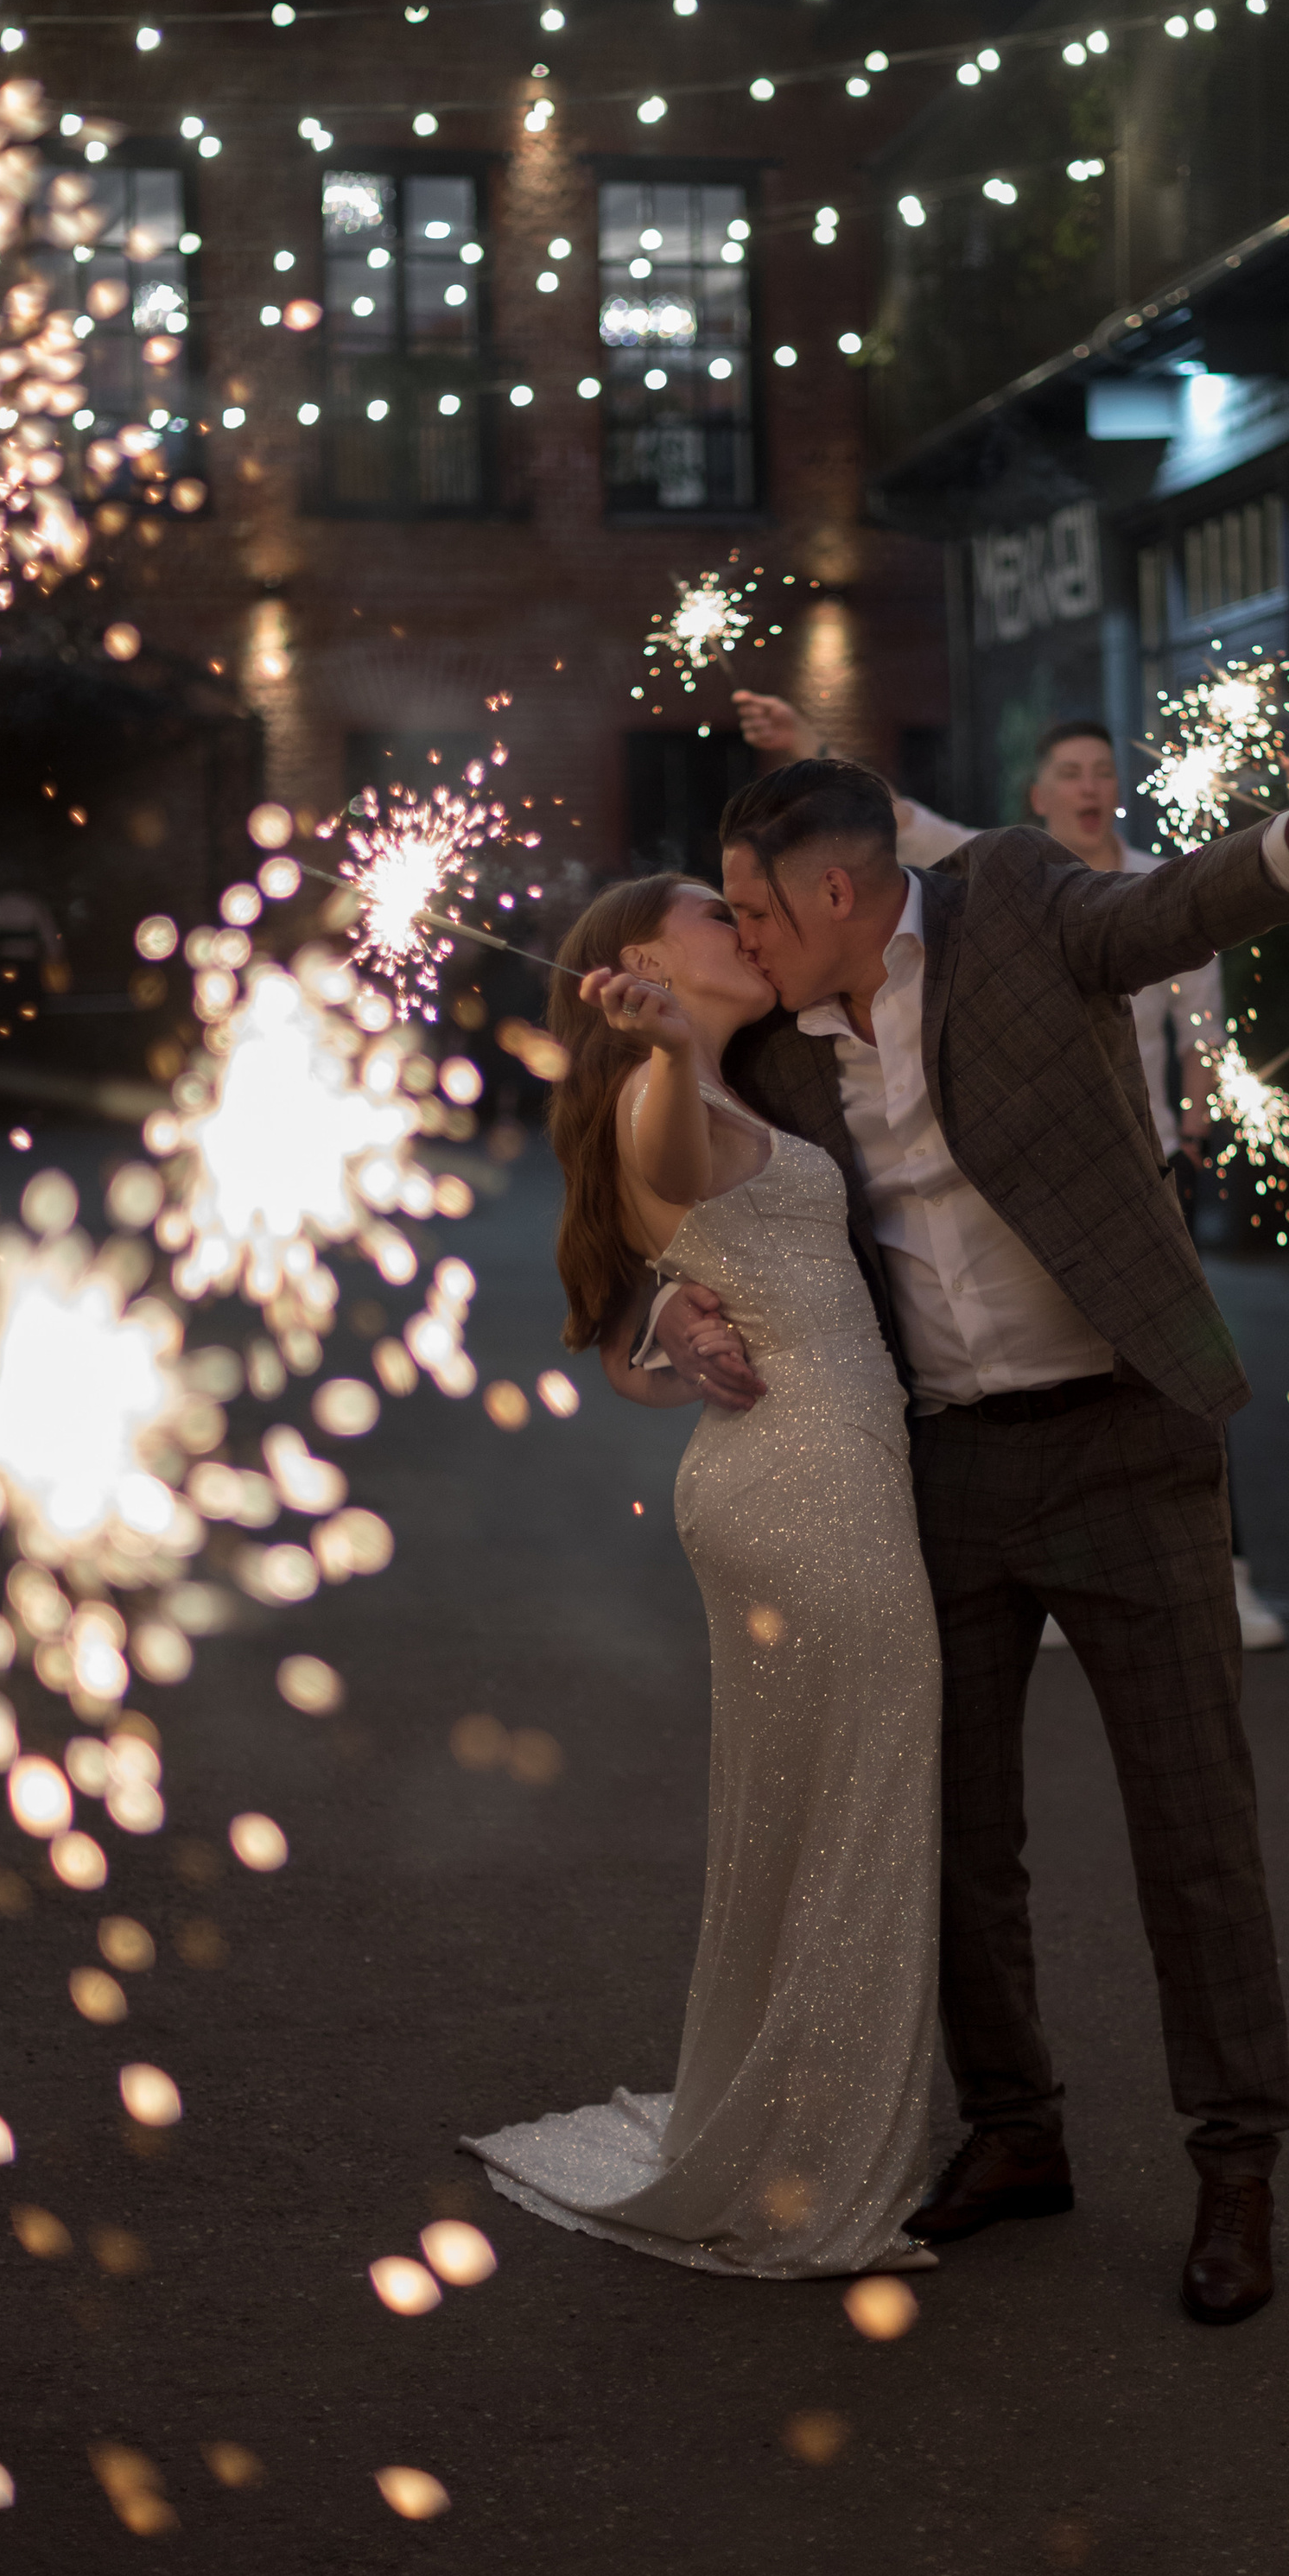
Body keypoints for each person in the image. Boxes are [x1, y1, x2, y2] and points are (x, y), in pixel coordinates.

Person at [646, 735, 1289, 2322]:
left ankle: (1236, 2166)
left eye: (756, 911)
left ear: (836, 893)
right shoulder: (778, 1052)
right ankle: (1014, 2129)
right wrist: (673, 1308)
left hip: (1128, 1439)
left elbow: (1171, 915)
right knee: (954, 1830)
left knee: (1193, 1830)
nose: (746, 939)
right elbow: (703, 1207)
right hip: (938, 1471)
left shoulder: (1012, 897)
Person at [464, 872, 944, 2280]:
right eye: (710, 913)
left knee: (805, 1816)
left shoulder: (740, 1079)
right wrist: (671, 1049)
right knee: (861, 1806)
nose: (743, 925)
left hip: (789, 1473)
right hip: (810, 1490)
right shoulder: (658, 1094)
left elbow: (638, 1324)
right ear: (640, 964)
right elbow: (666, 1156)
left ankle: (788, 2122)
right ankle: (812, 2163)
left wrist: (668, 1330)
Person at [733, 693, 1287, 1650]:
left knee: (1170, 1350)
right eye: (1070, 772)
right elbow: (882, 838)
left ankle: (1223, 1567)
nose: (1088, 787)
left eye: (1101, 772)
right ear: (1039, 794)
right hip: (1024, 1170)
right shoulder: (998, 876)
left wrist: (1198, 1112)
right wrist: (809, 751)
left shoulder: (1154, 879)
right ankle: (1054, 1571)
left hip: (1146, 1160)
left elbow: (1197, 1008)